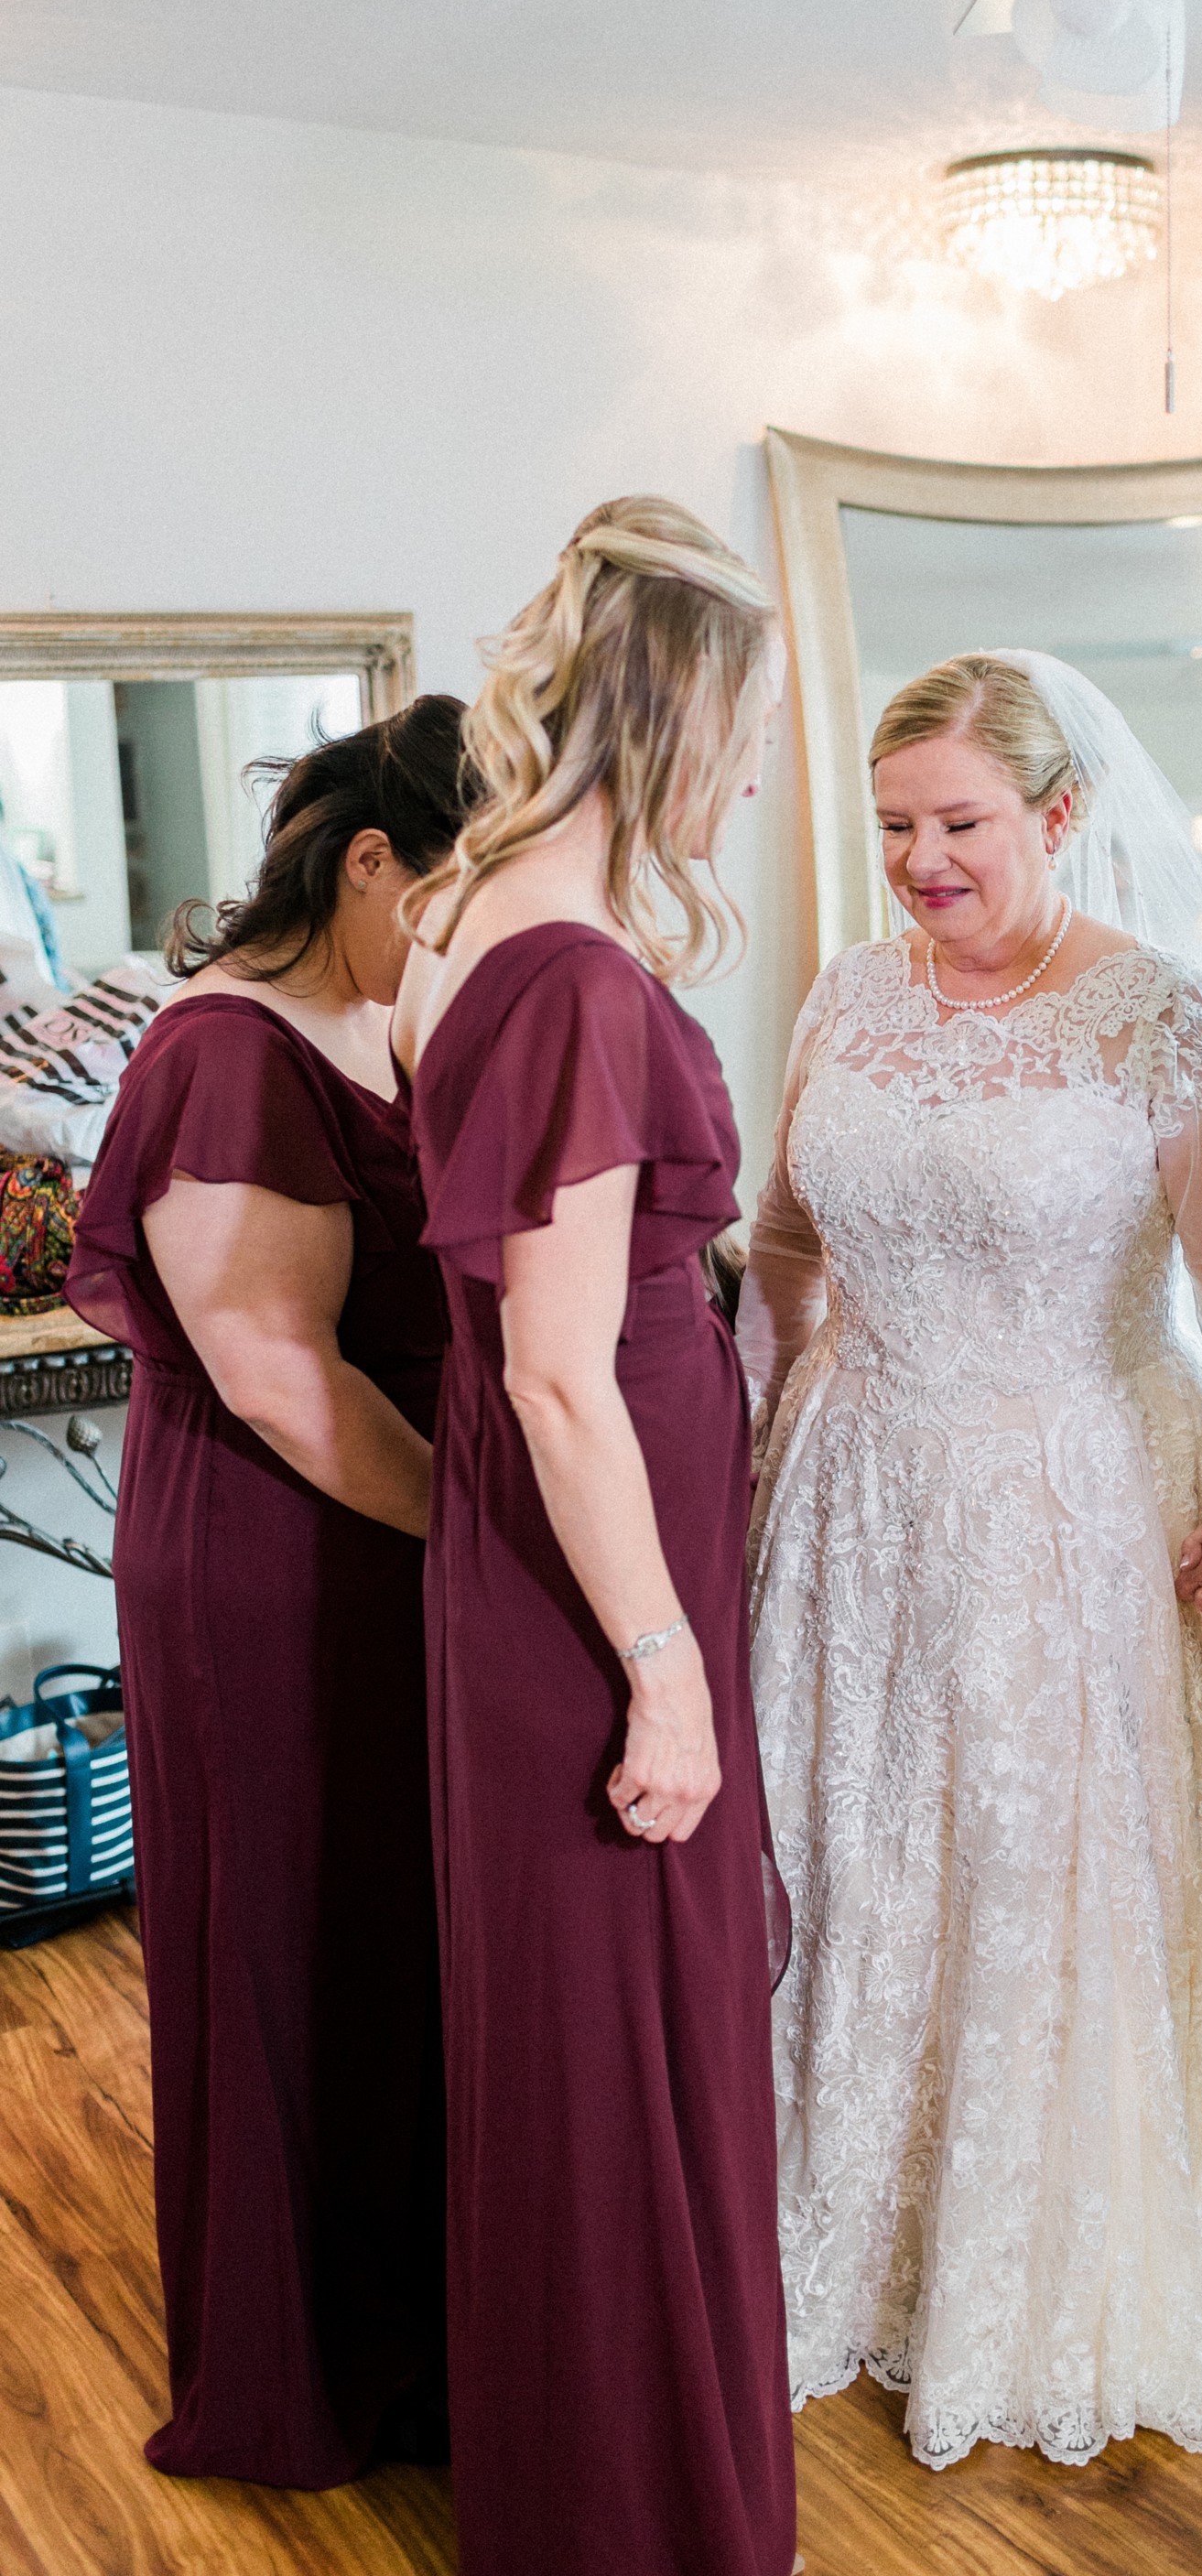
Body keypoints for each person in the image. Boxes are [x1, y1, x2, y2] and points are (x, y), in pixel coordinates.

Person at [739, 649, 1202, 2474]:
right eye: (894, 826)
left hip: (1076, 1496)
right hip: (858, 1495)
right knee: (874, 1851)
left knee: (1046, 1864)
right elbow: (788, 1234)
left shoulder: (1160, 1010)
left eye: (957, 823)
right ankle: (866, 2226)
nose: (920, 863)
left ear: (1054, 814)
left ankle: (1044, 2246)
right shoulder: (844, 994)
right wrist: (752, 1431)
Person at [391, 500, 797, 2576]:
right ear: (674, 710)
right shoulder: (558, 967)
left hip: (544, 1529)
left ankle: (601, 2479)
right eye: (745, 730)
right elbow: (557, 1368)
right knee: (618, 2025)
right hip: (585, 1561)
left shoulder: (465, 917)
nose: (751, 777)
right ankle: (635, 2515)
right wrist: (664, 1666)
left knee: (587, 2025)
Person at [63, 698, 471, 2484]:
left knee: (385, 1941)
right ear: (370, 858)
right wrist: (486, 1533)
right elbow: (276, 1368)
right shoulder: (229, 1048)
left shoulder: (371, 1021)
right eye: (453, 886)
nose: (466, 930)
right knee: (291, 1943)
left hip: (372, 1541)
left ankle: (404, 2328)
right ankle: (303, 2364)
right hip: (279, 1551)